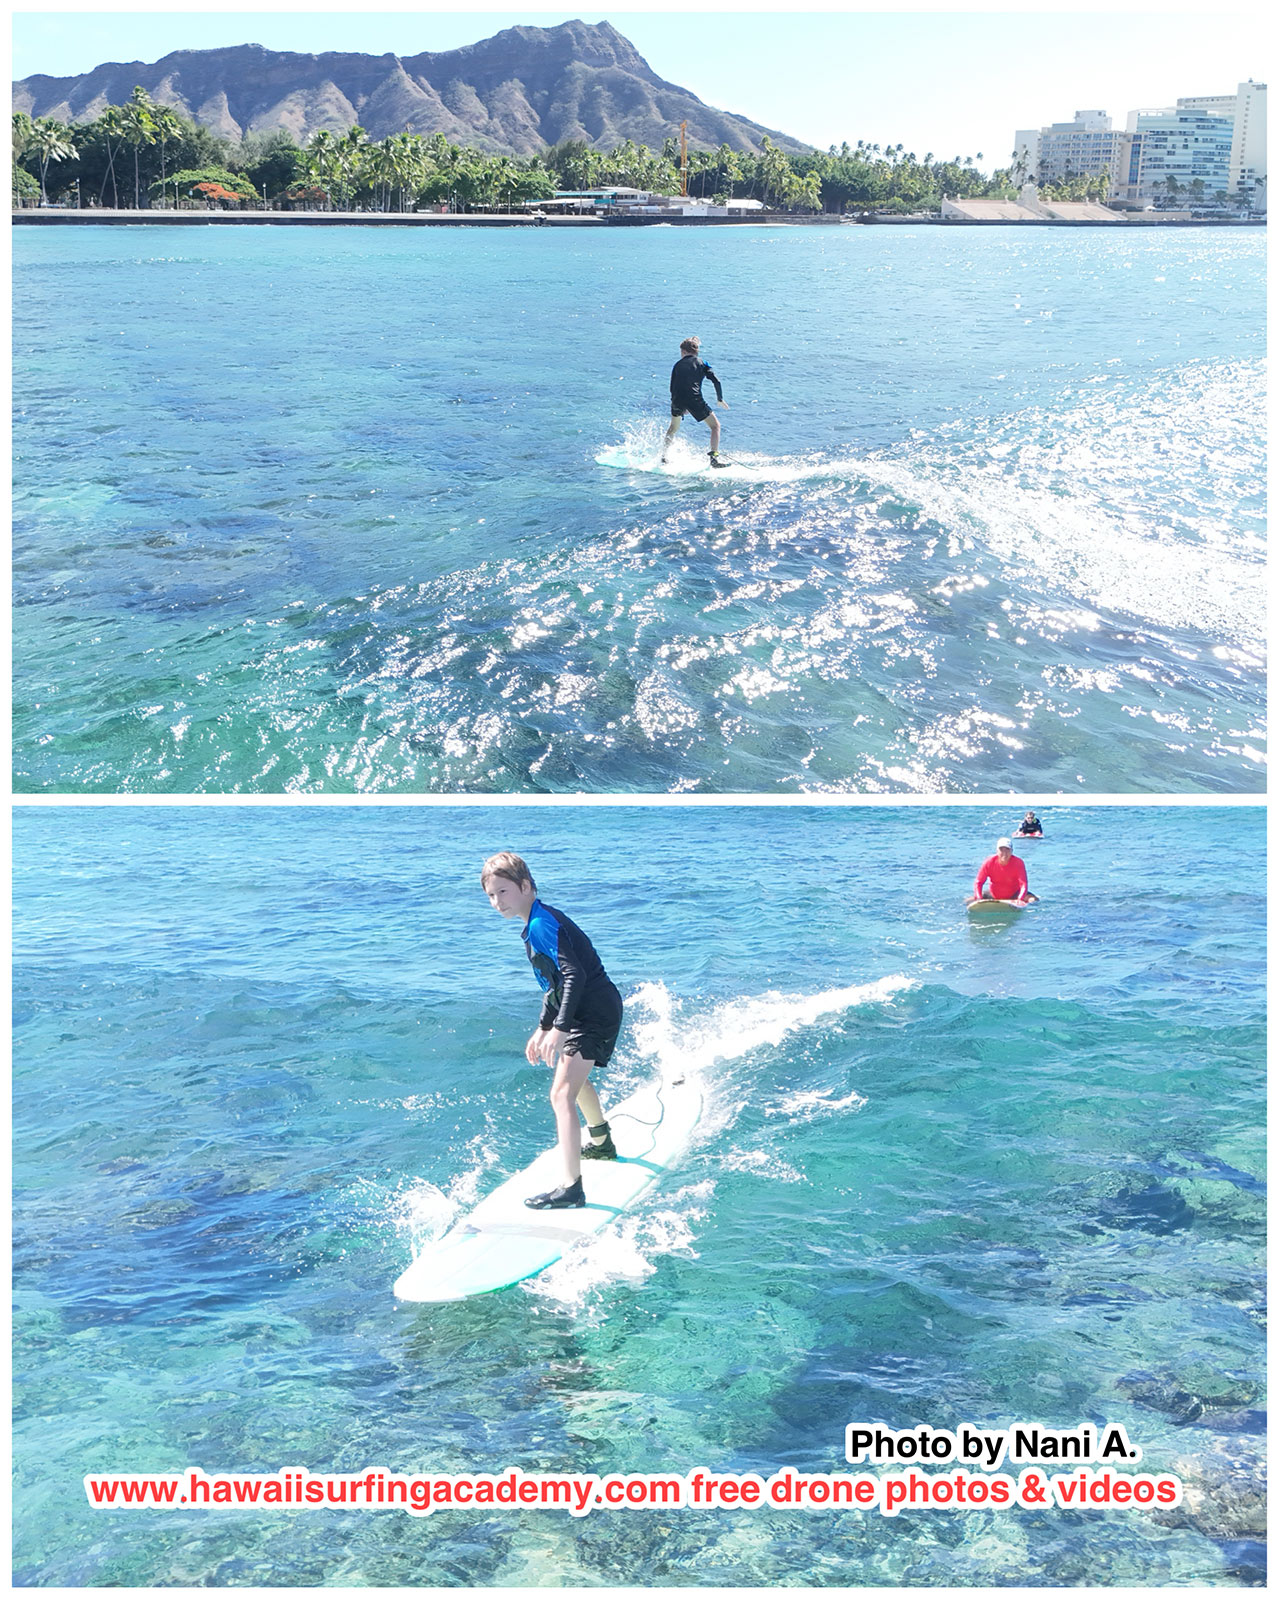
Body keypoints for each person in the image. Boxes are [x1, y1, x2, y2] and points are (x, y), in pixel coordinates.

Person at [481, 852, 623, 1210]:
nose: (497, 902)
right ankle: (602, 1143)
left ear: (526, 886)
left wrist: (559, 1029)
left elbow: (574, 975)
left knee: (560, 1094)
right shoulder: (535, 923)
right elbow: (554, 984)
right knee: (573, 1082)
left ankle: (571, 1188)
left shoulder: (543, 925)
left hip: (594, 1013)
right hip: (585, 1010)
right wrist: (544, 1026)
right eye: (491, 896)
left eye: (503, 892)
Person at [661, 336, 728, 466]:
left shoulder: (677, 365)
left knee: (673, 428)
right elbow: (716, 381)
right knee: (715, 426)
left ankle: (663, 457)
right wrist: (719, 399)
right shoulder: (702, 363)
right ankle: (714, 459)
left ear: (684, 352)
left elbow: (672, 386)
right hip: (694, 399)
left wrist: (678, 404)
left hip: (677, 400)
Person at [972, 837, 1038, 904]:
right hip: (994, 895)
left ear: (1012, 851)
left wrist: (1020, 899)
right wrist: (978, 898)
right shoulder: (989, 862)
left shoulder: (1018, 863)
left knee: (1033, 900)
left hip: (1014, 895)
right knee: (970, 900)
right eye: (1001, 850)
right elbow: (978, 882)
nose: (1004, 853)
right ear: (997, 851)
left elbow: (1023, 884)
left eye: (1007, 850)